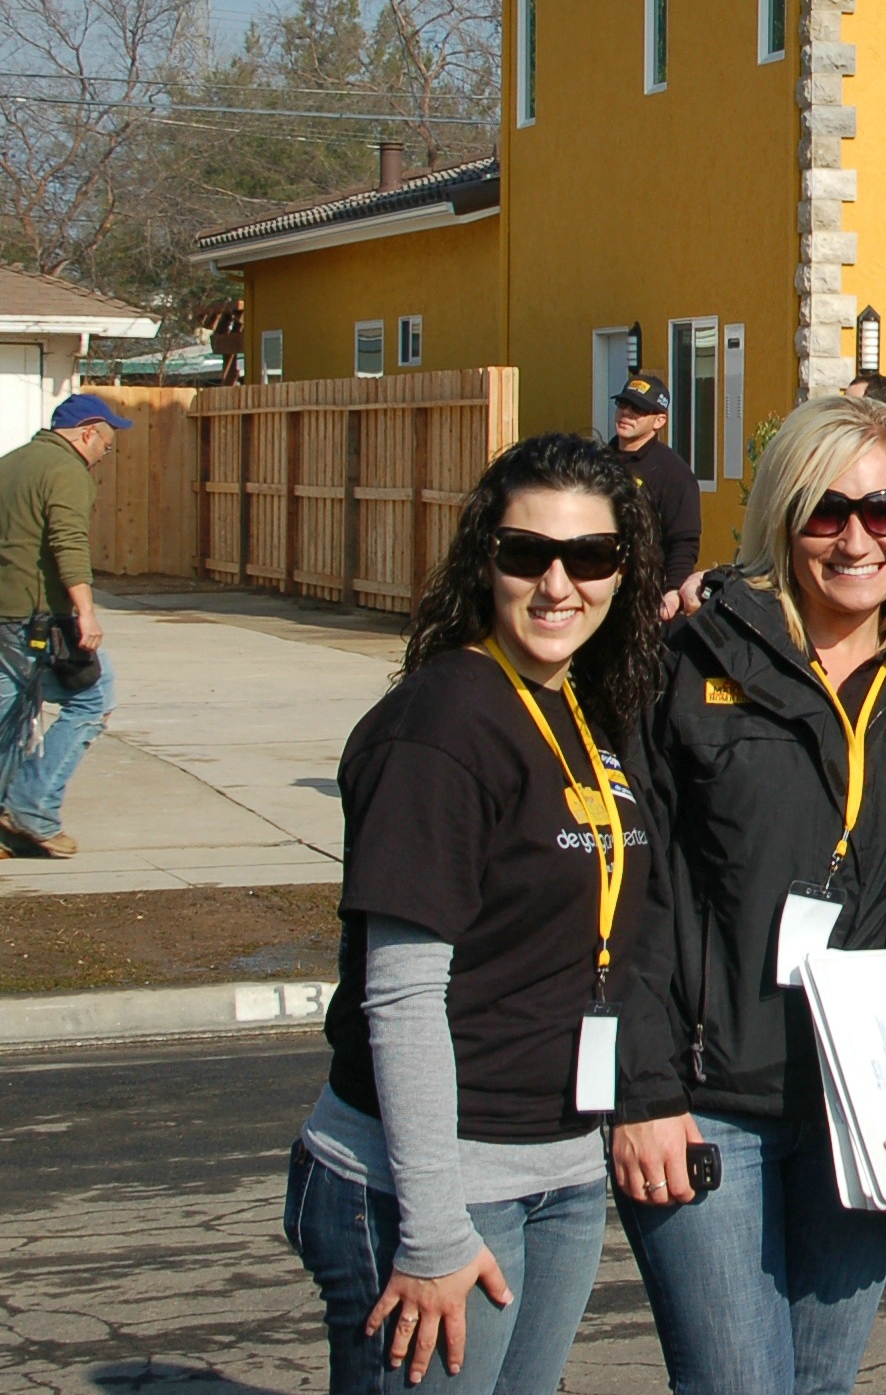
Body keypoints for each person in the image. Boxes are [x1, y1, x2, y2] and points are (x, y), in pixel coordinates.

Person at [613, 392, 886, 1394]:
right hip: (708, 1105)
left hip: (860, 1105)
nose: (857, 538)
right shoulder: (693, 657)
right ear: (782, 519)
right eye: (825, 510)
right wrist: (642, 1090)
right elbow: (633, 896)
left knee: (819, 1386)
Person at [285, 432, 682, 1395]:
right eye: (526, 553)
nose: (559, 584)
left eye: (590, 556)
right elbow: (402, 994)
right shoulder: (443, 722)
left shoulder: (578, 705)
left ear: (624, 570)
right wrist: (431, 1231)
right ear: (484, 559)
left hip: (559, 1166)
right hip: (432, 1186)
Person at [0, 392, 131, 860]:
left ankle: (0, 833)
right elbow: (68, 542)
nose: (104, 455)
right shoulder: (66, 471)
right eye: (106, 445)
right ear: (87, 433)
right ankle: (31, 811)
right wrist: (86, 611)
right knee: (93, 700)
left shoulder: (2, 467)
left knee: (14, 715)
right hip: (41, 618)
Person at [611, 369, 702, 621]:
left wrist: (673, 592)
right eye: (623, 404)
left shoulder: (674, 474)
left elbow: (683, 542)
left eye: (638, 409)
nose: (626, 413)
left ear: (659, 421)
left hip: (644, 602)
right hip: (598, 591)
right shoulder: (597, 462)